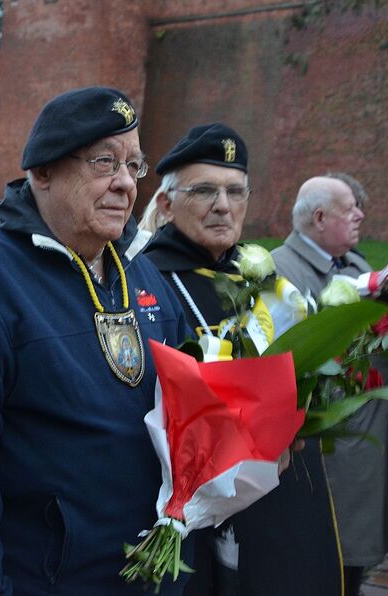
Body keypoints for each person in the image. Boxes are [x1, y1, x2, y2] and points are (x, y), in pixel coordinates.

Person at [0, 86, 201, 595]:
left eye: (134, 166)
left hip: (148, 575)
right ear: (43, 172)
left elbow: (190, 401)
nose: (126, 184)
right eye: (105, 162)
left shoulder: (143, 271)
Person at [144, 124, 342, 596]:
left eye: (235, 191)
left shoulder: (265, 281)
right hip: (199, 511)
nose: (223, 205)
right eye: (205, 191)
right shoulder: (145, 281)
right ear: (167, 204)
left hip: (285, 493)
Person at [271, 175, 388, 596]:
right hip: (318, 453)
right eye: (350, 208)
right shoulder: (282, 270)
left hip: (363, 444)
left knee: (353, 572)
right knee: (314, 570)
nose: (360, 215)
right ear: (319, 217)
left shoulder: (356, 267)